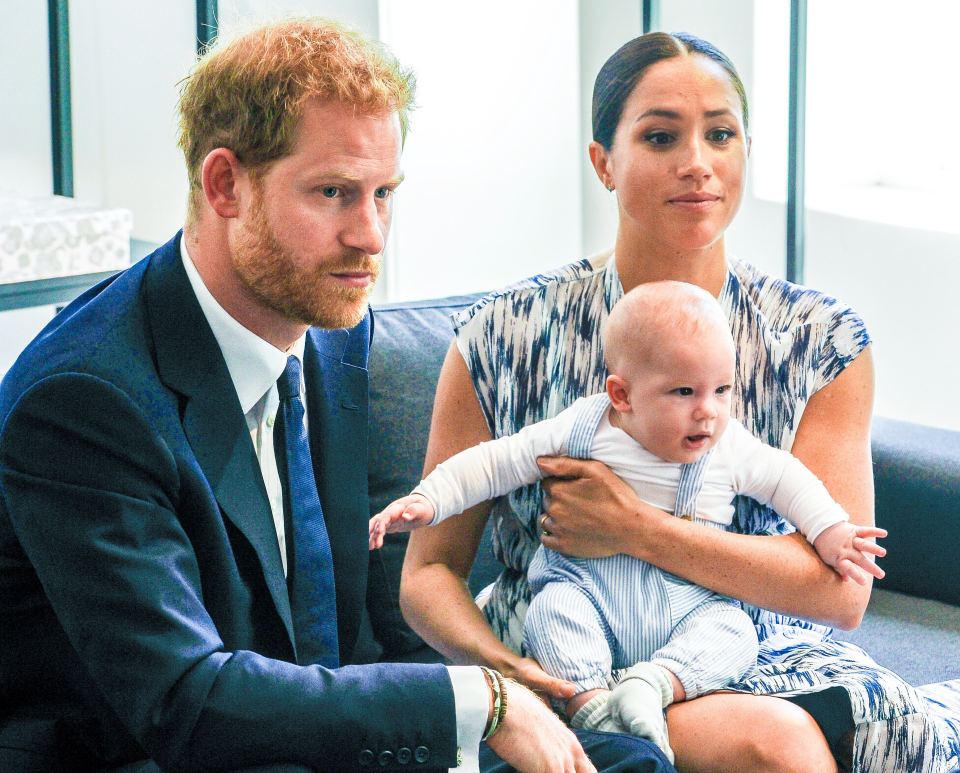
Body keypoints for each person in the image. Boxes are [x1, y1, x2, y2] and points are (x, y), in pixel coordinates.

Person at [0, 18, 674, 773]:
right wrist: (475, 702)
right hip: (156, 751)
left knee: (626, 764)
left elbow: (334, 641)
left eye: (384, 193)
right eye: (334, 193)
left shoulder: (330, 331)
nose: (372, 236)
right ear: (225, 184)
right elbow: (183, 699)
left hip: (304, 732)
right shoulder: (85, 401)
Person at [400, 31, 958, 772]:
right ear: (604, 162)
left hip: (745, 647)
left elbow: (840, 593)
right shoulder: (501, 335)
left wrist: (633, 527)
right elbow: (428, 572)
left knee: (878, 725)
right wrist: (508, 677)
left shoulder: (818, 340)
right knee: (782, 747)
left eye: (720, 134)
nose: (697, 161)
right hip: (564, 654)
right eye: (661, 136)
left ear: (745, 152)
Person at [371, 280, 886, 762]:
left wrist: (833, 532)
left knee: (732, 629)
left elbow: (788, 481)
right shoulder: (586, 427)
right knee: (553, 613)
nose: (707, 412)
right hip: (588, 588)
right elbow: (496, 461)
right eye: (683, 393)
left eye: (722, 391)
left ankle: (654, 682)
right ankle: (589, 704)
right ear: (621, 395)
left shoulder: (729, 447)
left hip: (688, 601)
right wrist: (428, 500)